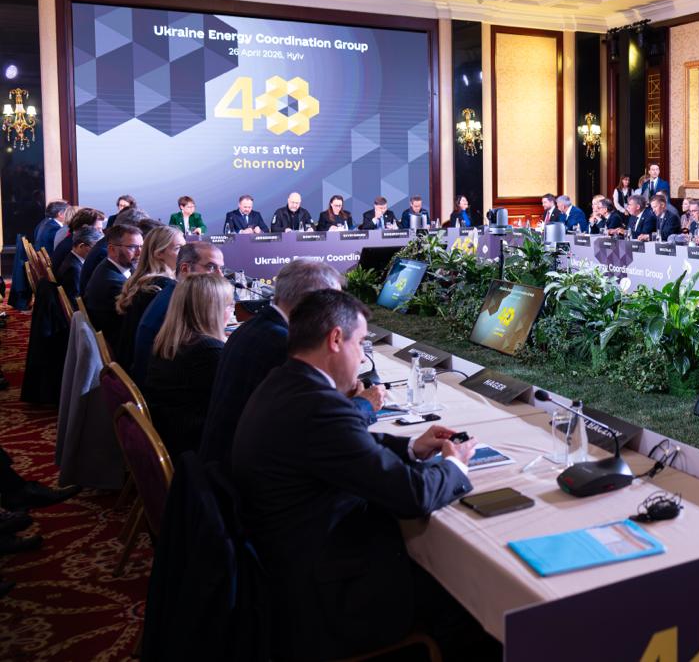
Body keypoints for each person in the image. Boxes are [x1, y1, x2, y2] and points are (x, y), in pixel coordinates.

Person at [231, 290, 479, 661]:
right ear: (335, 339)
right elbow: (412, 496)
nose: (363, 357)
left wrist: (413, 447)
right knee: (464, 598)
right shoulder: (318, 406)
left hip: (285, 564)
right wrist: (455, 464)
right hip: (329, 596)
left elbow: (344, 446)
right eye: (360, 343)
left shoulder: (284, 382)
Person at [200, 259, 376, 464]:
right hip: (245, 472)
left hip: (222, 462)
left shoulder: (255, 326)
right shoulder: (285, 344)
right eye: (334, 303)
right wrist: (364, 405)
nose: (340, 311)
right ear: (309, 301)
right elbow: (322, 429)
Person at [144, 274, 234, 457]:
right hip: (195, 449)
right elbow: (232, 407)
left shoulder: (170, 340)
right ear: (212, 311)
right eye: (229, 305)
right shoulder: (208, 351)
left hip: (170, 435)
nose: (232, 310)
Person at [133, 242, 225, 382]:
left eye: (221, 268)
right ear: (185, 268)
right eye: (211, 267)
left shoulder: (173, 293)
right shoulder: (172, 305)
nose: (220, 275)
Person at [114, 225, 184, 375]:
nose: (185, 254)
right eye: (179, 248)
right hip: (144, 372)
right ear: (159, 253)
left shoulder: (143, 280)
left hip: (129, 363)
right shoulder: (161, 287)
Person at [84, 223, 143, 340]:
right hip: (118, 341)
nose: (139, 253)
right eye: (132, 247)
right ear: (112, 250)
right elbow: (136, 321)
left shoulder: (110, 265)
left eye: (142, 246)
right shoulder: (113, 284)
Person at [51, 208, 105, 283]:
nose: (102, 233)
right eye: (98, 229)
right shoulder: (73, 247)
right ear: (85, 227)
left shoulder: (71, 240)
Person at [57, 226, 102, 300]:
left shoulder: (73, 259)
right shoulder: (74, 269)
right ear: (81, 246)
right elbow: (76, 301)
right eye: (94, 248)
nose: (96, 252)